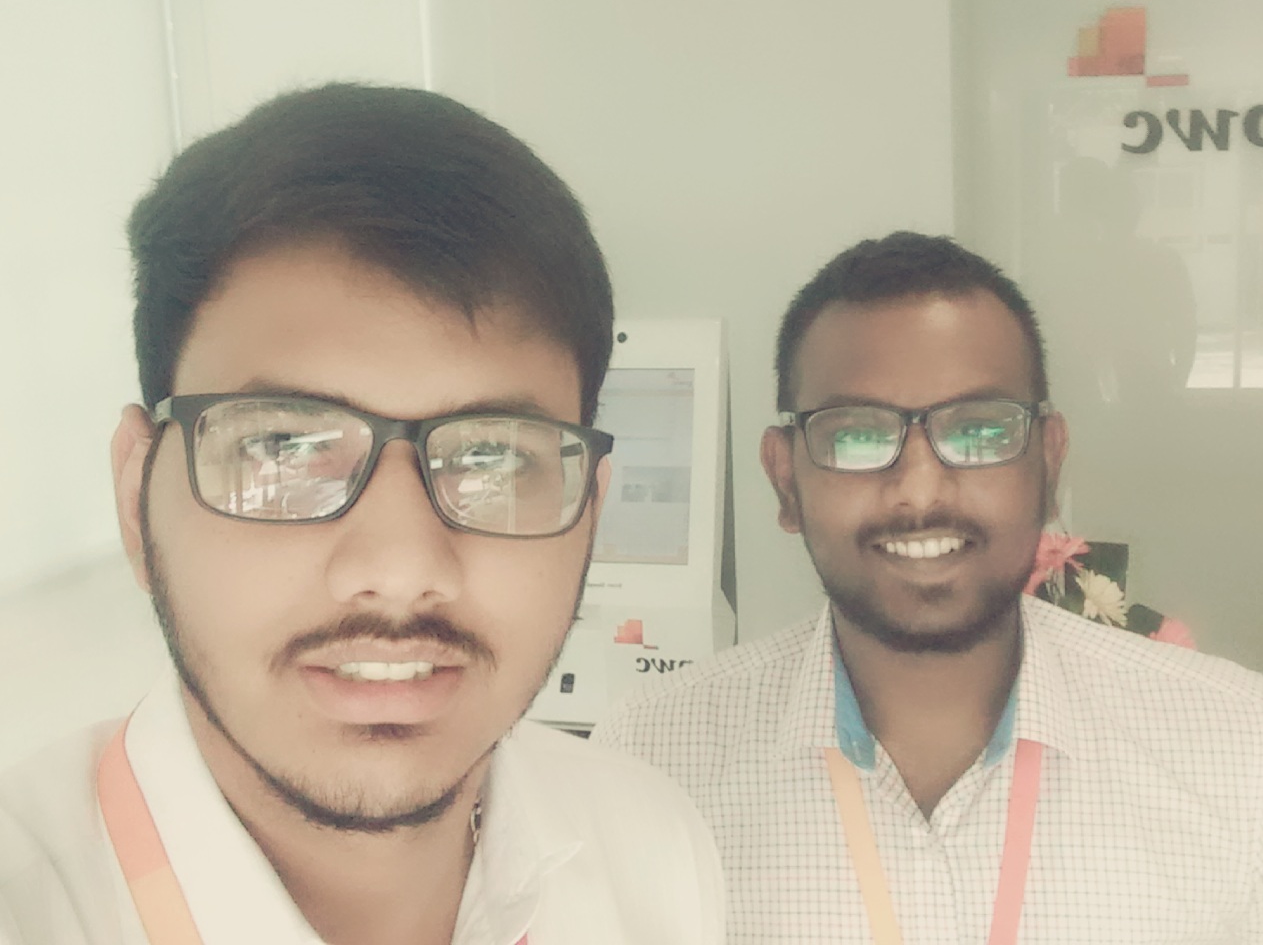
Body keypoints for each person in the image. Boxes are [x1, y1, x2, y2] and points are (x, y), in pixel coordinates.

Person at [0, 84, 724, 945]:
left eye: (493, 457)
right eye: (282, 446)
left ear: (591, 514)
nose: (401, 567)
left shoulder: (648, 851)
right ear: (135, 498)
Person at [593, 232, 1263, 944]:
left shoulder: (1245, 755)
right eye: (857, 434)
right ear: (784, 479)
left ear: (1050, 461)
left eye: (978, 430)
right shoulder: (650, 762)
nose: (920, 489)